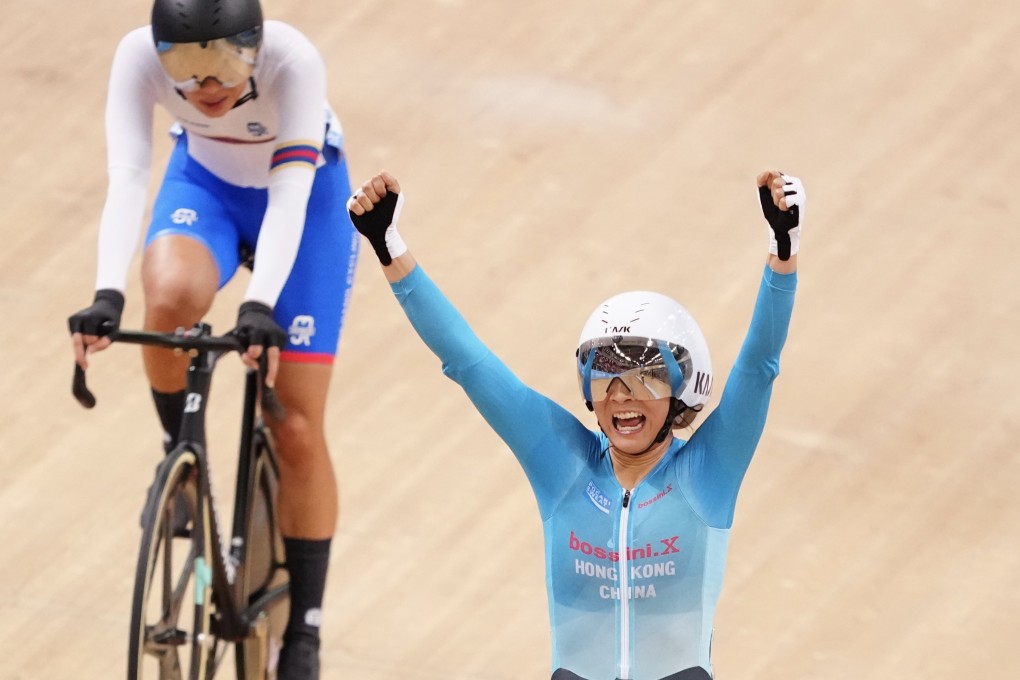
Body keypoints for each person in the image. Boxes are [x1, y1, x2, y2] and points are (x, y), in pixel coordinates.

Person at [346, 169, 804, 679]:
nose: (621, 396)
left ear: (682, 392)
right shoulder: (563, 465)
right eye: (604, 378)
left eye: (644, 379)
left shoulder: (708, 472)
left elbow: (759, 367)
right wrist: (389, 247)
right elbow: (468, 363)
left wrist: (782, 252)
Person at [66, 0, 358, 676]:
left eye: (225, 61)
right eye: (186, 67)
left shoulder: (294, 59)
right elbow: (129, 176)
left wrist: (259, 304)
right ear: (158, 50)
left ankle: (305, 631)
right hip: (207, 185)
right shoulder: (134, 56)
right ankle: (182, 459)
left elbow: (290, 195)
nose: (208, 85)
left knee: (294, 426)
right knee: (166, 299)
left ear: (256, 48)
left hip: (305, 201)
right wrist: (107, 292)